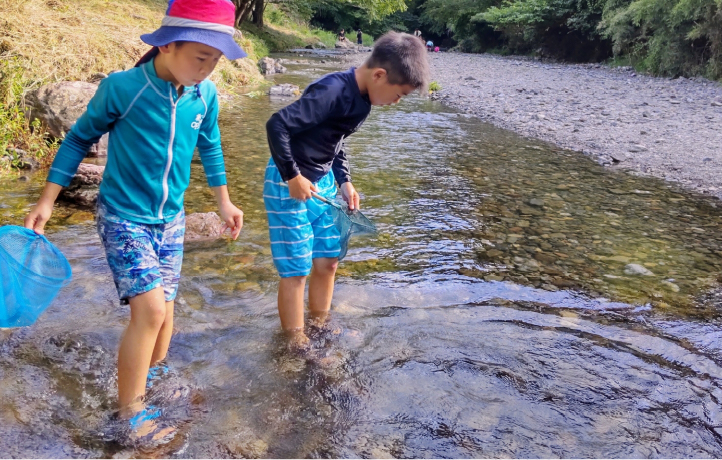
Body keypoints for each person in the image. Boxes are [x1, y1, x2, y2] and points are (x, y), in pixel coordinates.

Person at [23, 0, 245, 444]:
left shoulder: (204, 95)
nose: (207, 69)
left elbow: (210, 146)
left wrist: (224, 202)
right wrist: (47, 200)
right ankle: (130, 412)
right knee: (151, 310)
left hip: (172, 219)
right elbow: (78, 139)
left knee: (167, 309)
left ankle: (153, 375)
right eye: (201, 57)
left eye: (216, 61)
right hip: (124, 216)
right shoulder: (124, 88)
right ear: (167, 45)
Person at [263, 32, 430, 349]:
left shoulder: (363, 102)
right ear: (379, 75)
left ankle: (319, 323)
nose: (396, 102)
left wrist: (345, 181)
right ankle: (295, 341)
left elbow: (335, 142)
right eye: (399, 95)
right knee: (297, 270)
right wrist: (292, 176)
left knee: (328, 260)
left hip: (323, 182)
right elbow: (277, 125)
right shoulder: (332, 91)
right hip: (289, 184)